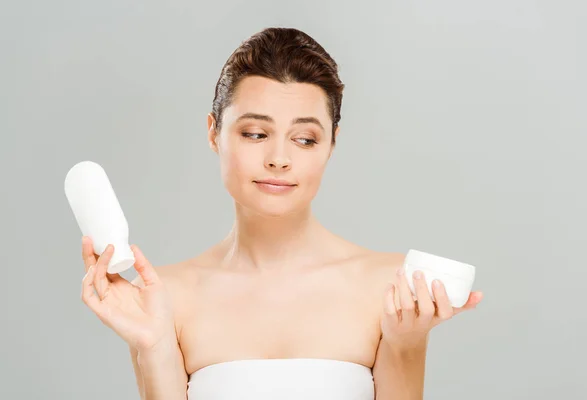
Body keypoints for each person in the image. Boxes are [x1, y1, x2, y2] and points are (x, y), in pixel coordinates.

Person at [79, 27, 483, 400]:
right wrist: (153, 349)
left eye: (305, 139)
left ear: (331, 145)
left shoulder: (390, 288)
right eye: (255, 134)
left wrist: (405, 344)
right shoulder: (163, 295)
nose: (278, 159)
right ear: (213, 133)